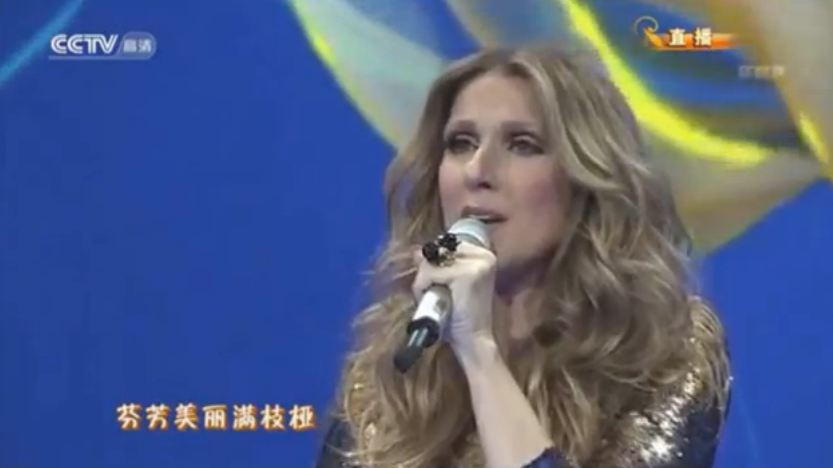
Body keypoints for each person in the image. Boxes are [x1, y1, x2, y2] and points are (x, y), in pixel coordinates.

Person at [315, 46, 731, 468]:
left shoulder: (664, 358)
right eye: (461, 143)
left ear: (583, 181)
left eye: (522, 144)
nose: (478, 170)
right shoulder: (389, 372)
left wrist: (478, 352)